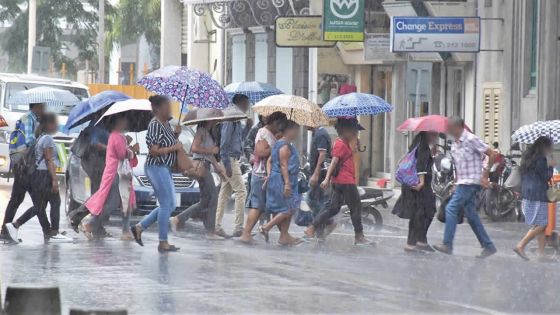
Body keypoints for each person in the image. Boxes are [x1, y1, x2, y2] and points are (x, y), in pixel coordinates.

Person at [433, 117, 497, 258]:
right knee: (471, 215)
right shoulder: (454, 145)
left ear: (459, 127)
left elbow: (492, 154)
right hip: (463, 182)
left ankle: (447, 244)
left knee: (451, 208)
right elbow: (459, 166)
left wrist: (485, 174)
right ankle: (488, 245)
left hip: (471, 182)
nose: (448, 130)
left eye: (450, 127)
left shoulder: (470, 139)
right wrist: (455, 184)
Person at [304, 118, 373, 246]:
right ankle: (359, 236)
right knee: (356, 208)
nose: (356, 134)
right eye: (354, 131)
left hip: (340, 181)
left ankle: (311, 228)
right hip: (345, 181)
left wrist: (354, 146)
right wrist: (326, 179)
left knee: (333, 208)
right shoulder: (341, 143)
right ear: (345, 130)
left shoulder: (343, 143)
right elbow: (334, 162)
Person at [4, 113, 71, 243]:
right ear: (48, 125)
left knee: (39, 206)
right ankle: (54, 232)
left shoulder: (40, 137)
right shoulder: (48, 139)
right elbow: (49, 160)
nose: (56, 125)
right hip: (44, 175)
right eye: (54, 123)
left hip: (38, 176)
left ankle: (15, 225)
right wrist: (54, 180)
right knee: (55, 202)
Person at [131, 95, 183, 252]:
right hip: (156, 167)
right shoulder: (155, 124)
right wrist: (174, 148)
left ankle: (140, 227)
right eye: (167, 106)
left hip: (165, 168)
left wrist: (176, 135)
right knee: (167, 204)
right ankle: (162, 241)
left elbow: (167, 142)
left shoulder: (166, 123)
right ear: (159, 108)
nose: (170, 108)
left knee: (170, 204)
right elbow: (154, 151)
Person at [79, 114, 139, 240]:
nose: (126, 124)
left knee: (125, 203)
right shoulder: (116, 136)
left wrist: (129, 147)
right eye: (124, 121)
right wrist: (133, 151)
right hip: (115, 175)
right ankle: (90, 223)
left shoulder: (120, 137)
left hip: (121, 175)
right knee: (113, 203)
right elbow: (122, 154)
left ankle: (125, 231)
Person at [170, 116, 226, 240]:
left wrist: (217, 167)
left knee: (206, 200)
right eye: (215, 118)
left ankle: (178, 219)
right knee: (213, 197)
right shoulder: (201, 131)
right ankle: (210, 232)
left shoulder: (209, 133)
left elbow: (210, 155)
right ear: (209, 119)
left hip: (206, 165)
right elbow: (194, 148)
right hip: (201, 167)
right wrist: (211, 149)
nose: (217, 120)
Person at [239, 112, 287, 243]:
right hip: (261, 175)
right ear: (274, 122)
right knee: (258, 206)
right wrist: (276, 148)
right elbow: (259, 152)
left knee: (272, 205)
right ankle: (246, 233)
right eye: (280, 124)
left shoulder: (272, 134)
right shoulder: (263, 132)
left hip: (267, 174)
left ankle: (284, 235)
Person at [1, 102, 45, 240]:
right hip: (24, 165)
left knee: (21, 199)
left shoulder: (34, 119)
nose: (44, 109)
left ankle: (6, 230)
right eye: (42, 106)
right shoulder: (28, 119)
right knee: (36, 200)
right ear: (36, 106)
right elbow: (30, 141)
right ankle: (7, 229)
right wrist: (43, 140)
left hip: (25, 165)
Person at [392, 131, 437, 253]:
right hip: (418, 185)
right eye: (434, 134)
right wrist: (421, 182)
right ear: (427, 134)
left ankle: (418, 241)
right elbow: (421, 165)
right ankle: (414, 242)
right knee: (426, 211)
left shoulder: (416, 145)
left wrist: (431, 156)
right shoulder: (423, 146)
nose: (436, 136)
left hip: (410, 184)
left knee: (419, 213)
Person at [259, 120, 302, 246]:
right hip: (283, 181)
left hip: (277, 178)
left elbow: (270, 161)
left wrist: (269, 174)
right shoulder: (284, 146)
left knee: (282, 209)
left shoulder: (279, 144)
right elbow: (283, 165)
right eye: (296, 130)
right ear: (289, 130)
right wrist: (287, 183)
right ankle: (266, 227)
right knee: (287, 209)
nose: (297, 133)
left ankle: (284, 236)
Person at [513, 137, 555, 261]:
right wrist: (551, 166)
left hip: (528, 193)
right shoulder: (542, 159)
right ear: (544, 147)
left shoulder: (527, 157)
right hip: (538, 194)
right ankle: (521, 245)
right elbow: (546, 176)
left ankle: (541, 253)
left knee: (539, 223)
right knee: (542, 224)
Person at [214, 94, 250, 238]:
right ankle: (238, 227)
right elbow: (224, 143)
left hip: (233, 159)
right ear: (240, 103)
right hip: (229, 159)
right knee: (241, 192)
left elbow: (238, 140)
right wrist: (227, 164)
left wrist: (247, 128)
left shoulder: (236, 119)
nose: (248, 106)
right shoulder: (230, 118)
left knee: (224, 194)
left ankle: (216, 224)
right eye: (247, 103)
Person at [307, 125, 331, 215]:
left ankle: (325, 221)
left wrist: (315, 175)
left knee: (311, 199)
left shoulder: (321, 134)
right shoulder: (317, 133)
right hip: (318, 173)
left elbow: (322, 155)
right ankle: (319, 224)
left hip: (320, 174)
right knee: (318, 199)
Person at [82, 119, 110, 195]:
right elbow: (95, 143)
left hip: (103, 161)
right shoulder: (98, 124)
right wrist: (110, 148)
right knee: (97, 189)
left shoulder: (109, 125)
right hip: (96, 161)